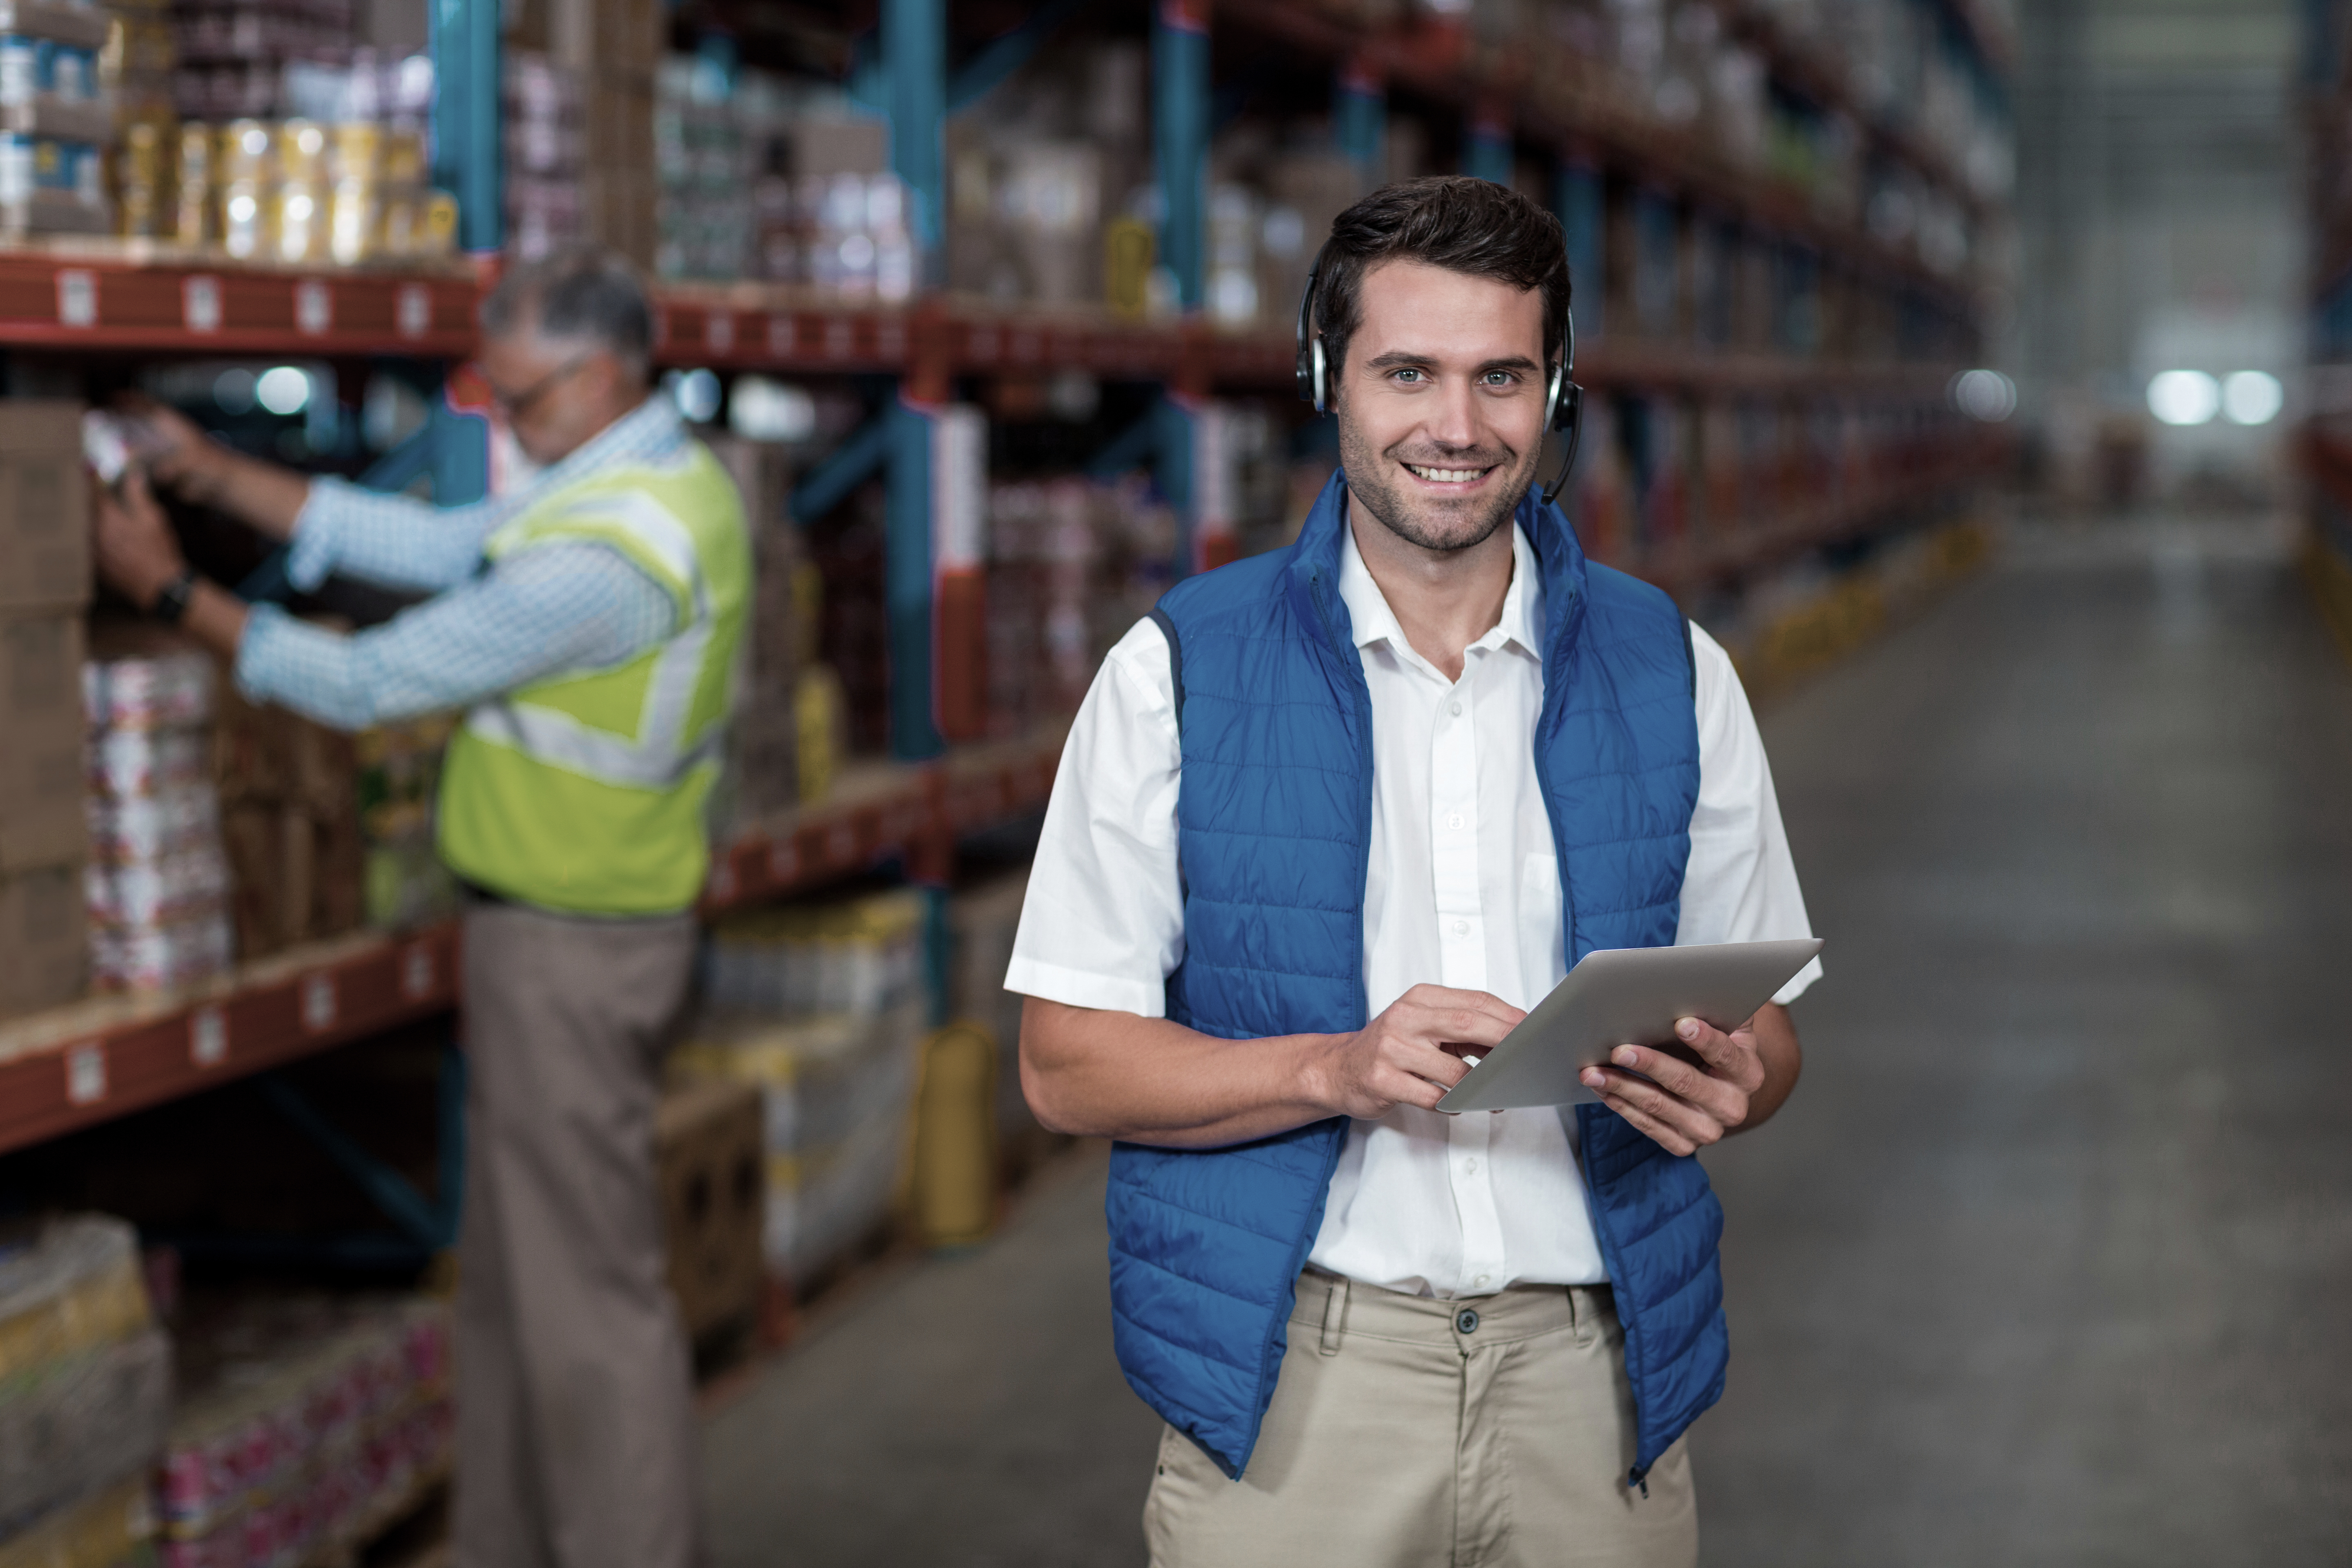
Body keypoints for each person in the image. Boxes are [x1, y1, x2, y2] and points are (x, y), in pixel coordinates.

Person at [1009, 176, 1822, 1568]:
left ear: (1555, 388)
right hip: (1298, 1388)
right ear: (1330, 380)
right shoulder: (1179, 675)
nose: (1457, 429)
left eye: (1502, 376)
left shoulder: (1675, 671)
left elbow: (1772, 1034)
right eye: (1409, 373)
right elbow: (1064, 1066)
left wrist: (1741, 1078)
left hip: (1598, 1384)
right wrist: (1327, 1069)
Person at [89, 247, 748, 1568]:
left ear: (604, 372)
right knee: (515, 1300)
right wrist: (213, 471)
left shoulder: (616, 557)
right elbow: (442, 543)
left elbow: (367, 682)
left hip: (578, 950)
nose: (504, 423)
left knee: (593, 1321)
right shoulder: (625, 479)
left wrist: (169, 591)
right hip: (549, 941)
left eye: (522, 400)